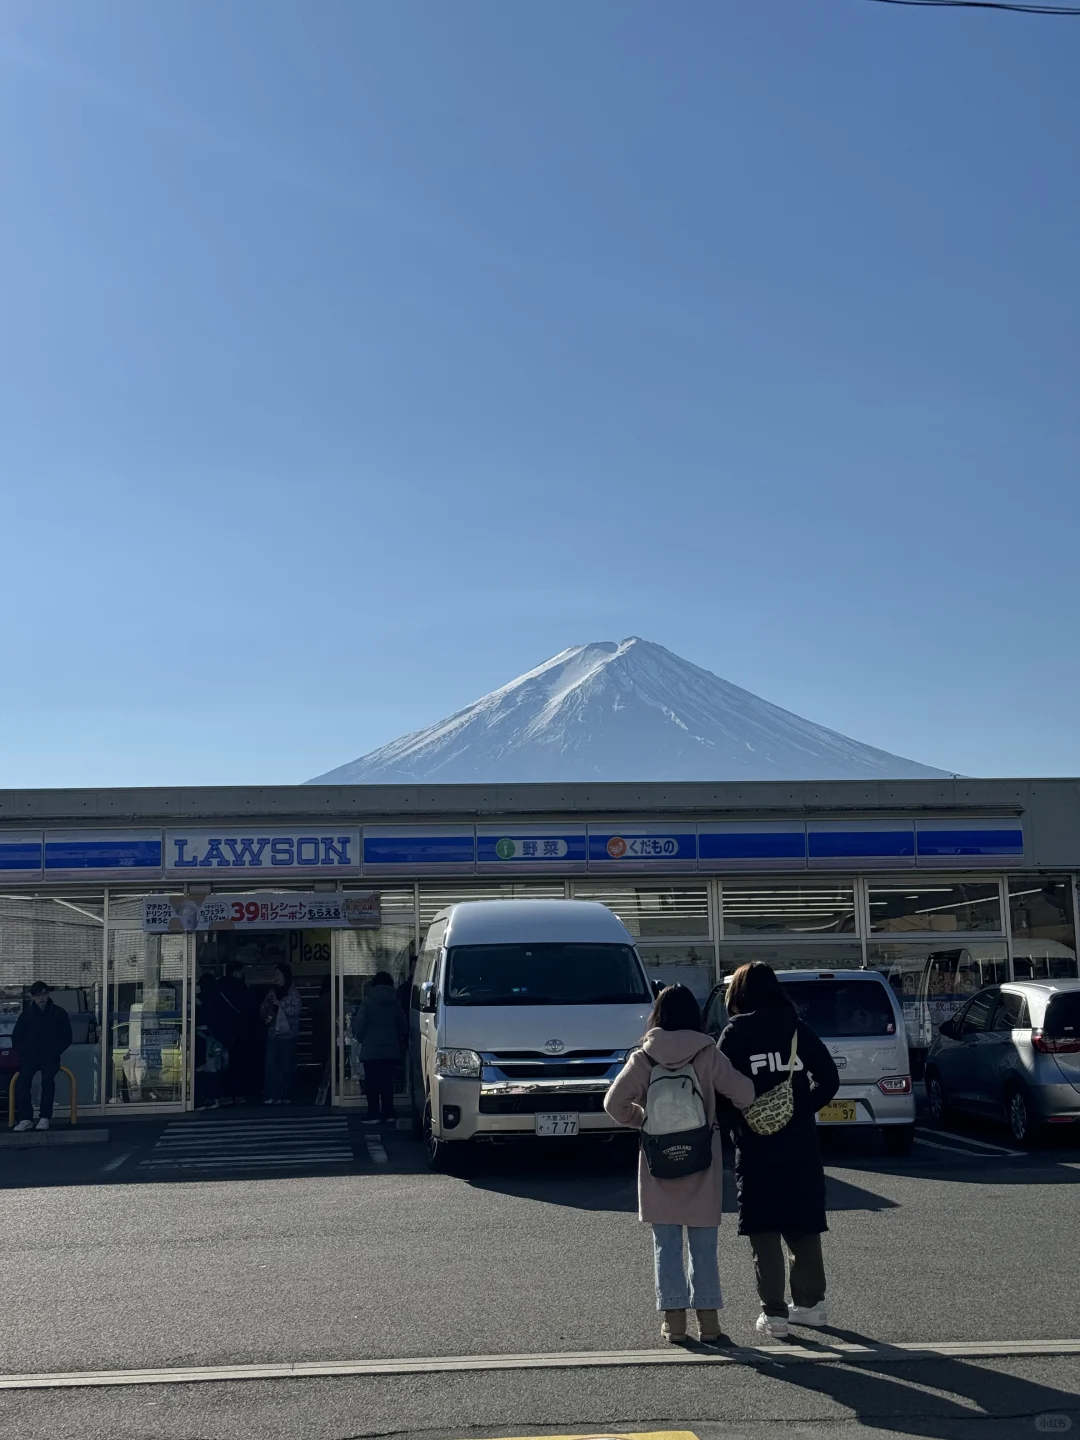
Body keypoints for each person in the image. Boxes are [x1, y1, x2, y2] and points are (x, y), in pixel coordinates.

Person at [604, 983, 755, 1345]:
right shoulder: (707, 1053)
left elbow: (613, 1104)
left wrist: (644, 1119)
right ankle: (710, 1324)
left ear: (658, 1015)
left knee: (666, 1242)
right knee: (703, 1243)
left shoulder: (644, 1057)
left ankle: (675, 1323)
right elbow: (745, 1093)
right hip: (702, 1159)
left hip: (659, 1161)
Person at [717, 961, 840, 1341]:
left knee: (763, 1228)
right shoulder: (797, 1028)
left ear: (739, 994)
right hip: (800, 1143)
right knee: (803, 1223)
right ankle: (811, 1306)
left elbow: (719, 1088)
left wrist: (739, 1124)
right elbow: (830, 1080)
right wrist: (796, 1109)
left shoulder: (735, 1033)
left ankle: (774, 1315)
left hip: (755, 1147)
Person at [11, 982, 73, 1132]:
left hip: (50, 1057)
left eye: (44, 994)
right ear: (33, 997)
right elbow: (17, 1037)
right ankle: (25, 1118)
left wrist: (54, 1051)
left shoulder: (58, 1013)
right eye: (38, 995)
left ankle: (45, 1117)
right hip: (30, 1058)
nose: (41, 998)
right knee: (23, 1083)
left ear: (48, 994)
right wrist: (25, 1052)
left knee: (47, 1082)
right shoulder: (26, 1015)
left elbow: (66, 1037)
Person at [352, 971, 408, 1127]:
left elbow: (359, 1025)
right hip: (390, 1049)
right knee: (387, 1083)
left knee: (372, 1084)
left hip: (371, 1050)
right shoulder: (395, 1002)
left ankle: (373, 1113)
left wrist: (362, 1039)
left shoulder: (368, 1001)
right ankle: (389, 1113)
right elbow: (403, 1026)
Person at [260, 963, 302, 1105]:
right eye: (275, 974)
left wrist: (280, 1004)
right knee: (271, 1065)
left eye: (278, 974)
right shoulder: (271, 992)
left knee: (286, 1065)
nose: (275, 977)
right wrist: (267, 1006)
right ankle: (272, 1094)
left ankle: (285, 1094)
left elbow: (296, 1011)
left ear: (285, 976)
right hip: (273, 1032)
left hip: (288, 1033)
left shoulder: (293, 993)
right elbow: (263, 1009)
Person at [217, 959, 257, 1105]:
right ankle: (239, 1094)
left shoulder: (218, 986)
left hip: (222, 1032)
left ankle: (224, 1094)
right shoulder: (241, 987)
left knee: (222, 1063)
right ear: (236, 972)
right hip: (241, 1032)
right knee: (240, 1063)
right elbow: (251, 1006)